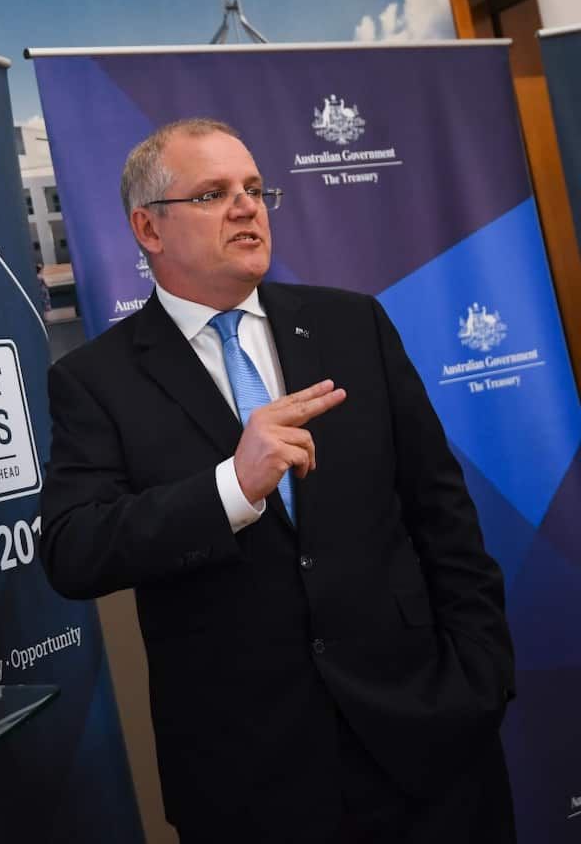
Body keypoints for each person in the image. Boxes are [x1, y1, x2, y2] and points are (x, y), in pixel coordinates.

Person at [39, 118, 516, 843]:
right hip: (250, 778)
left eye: (255, 189)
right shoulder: (94, 380)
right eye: (213, 194)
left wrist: (482, 674)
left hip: (426, 738)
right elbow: (75, 551)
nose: (246, 208)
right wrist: (231, 487)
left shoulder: (352, 324)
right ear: (148, 228)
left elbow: (441, 513)